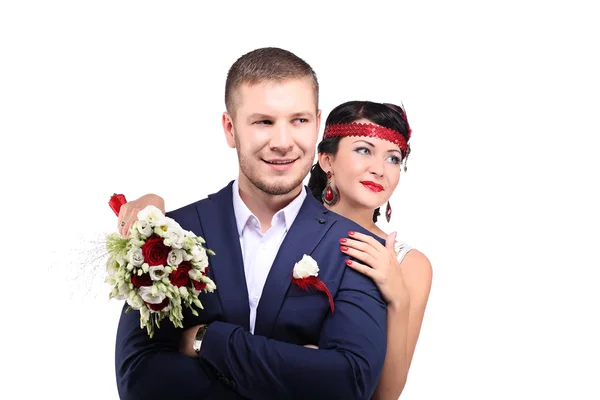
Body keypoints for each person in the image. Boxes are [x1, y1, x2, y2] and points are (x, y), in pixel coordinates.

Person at [114, 47, 388, 400]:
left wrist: (206, 339)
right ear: (230, 129)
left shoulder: (358, 247)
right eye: (264, 122)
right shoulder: (168, 236)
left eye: (299, 120)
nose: (283, 142)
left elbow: (347, 384)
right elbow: (140, 381)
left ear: (317, 124)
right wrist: (295, 374)